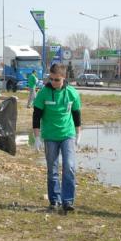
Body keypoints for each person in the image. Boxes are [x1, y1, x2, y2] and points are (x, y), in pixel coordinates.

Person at [32, 63, 82, 212]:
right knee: (52, 169)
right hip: (50, 136)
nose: (53, 82)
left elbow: (76, 114)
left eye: (56, 80)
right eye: (51, 79)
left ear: (64, 78)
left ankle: (68, 201)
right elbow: (36, 116)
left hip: (67, 134)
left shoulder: (72, 93)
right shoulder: (43, 93)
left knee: (69, 166)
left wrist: (79, 133)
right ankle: (54, 200)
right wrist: (36, 137)